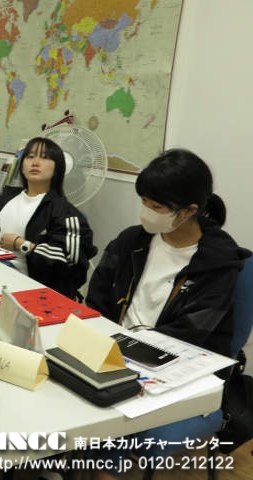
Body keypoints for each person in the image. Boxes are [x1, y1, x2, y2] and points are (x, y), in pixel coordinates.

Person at [85, 148, 251, 478]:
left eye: (157, 206)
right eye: (144, 201)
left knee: (106, 424)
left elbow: (189, 335)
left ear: (189, 210)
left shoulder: (217, 263)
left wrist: (121, 351)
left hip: (172, 366)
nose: (146, 212)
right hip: (114, 354)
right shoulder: (131, 242)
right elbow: (97, 300)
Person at [0, 136, 97, 299]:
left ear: (58, 168)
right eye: (30, 157)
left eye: (44, 157)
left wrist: (21, 244)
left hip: (33, 292)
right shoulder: (6, 198)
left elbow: (68, 263)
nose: (35, 162)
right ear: (22, 166)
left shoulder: (65, 213)